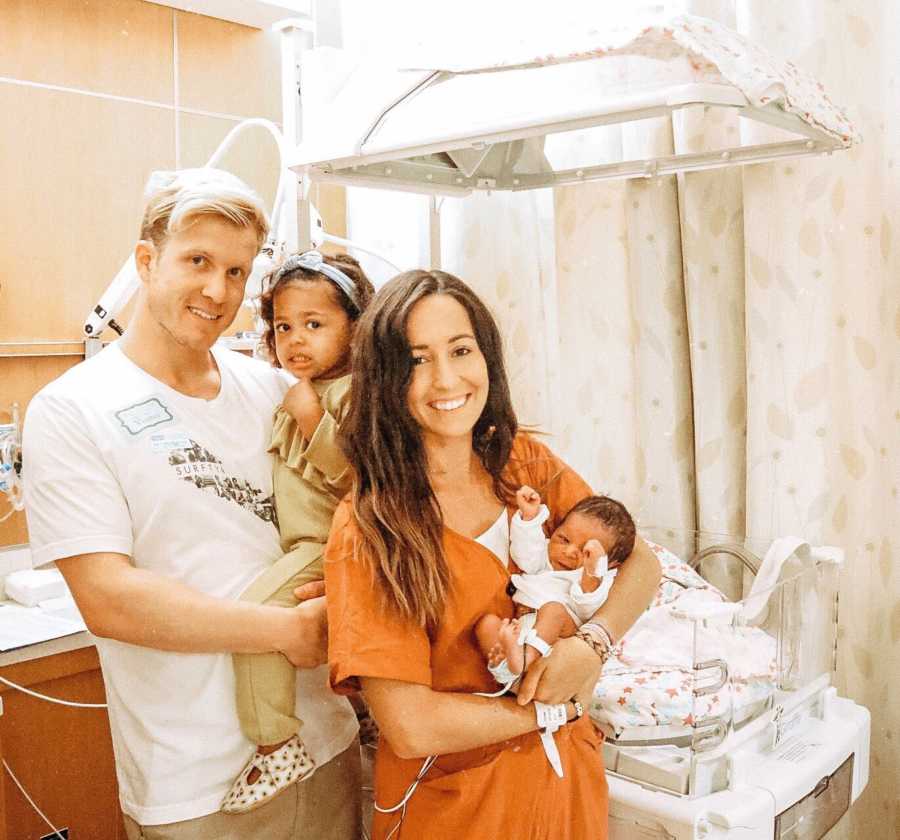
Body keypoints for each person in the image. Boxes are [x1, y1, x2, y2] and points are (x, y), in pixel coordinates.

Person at [23, 169, 360, 840]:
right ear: (147, 261)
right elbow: (109, 599)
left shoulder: (274, 390)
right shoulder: (72, 410)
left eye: (236, 272)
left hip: (327, 743)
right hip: (193, 785)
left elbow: (347, 505)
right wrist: (284, 632)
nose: (217, 290)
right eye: (197, 261)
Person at [323, 269, 662, 839]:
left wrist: (592, 644)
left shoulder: (521, 462)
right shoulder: (371, 529)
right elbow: (411, 726)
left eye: (461, 349)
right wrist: (555, 705)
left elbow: (641, 563)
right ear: (385, 379)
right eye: (417, 359)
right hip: (456, 811)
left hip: (563, 788)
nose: (447, 378)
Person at [224, 250, 374, 814]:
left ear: (356, 328)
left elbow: (365, 477)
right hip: (308, 545)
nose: (296, 340)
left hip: (333, 546)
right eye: (284, 326)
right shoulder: (300, 390)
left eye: (315, 324)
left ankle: (275, 742)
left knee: (257, 616)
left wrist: (312, 416)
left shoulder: (356, 392)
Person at [475, 488, 636, 685]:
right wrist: (530, 517)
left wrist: (593, 572)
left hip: (560, 630)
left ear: (610, 563)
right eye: (564, 539)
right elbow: (526, 556)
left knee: (553, 610)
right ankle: (506, 668)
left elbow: (589, 606)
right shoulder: (547, 555)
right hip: (525, 621)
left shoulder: (597, 578)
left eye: (584, 551)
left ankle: (525, 658)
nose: (568, 551)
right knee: (487, 623)